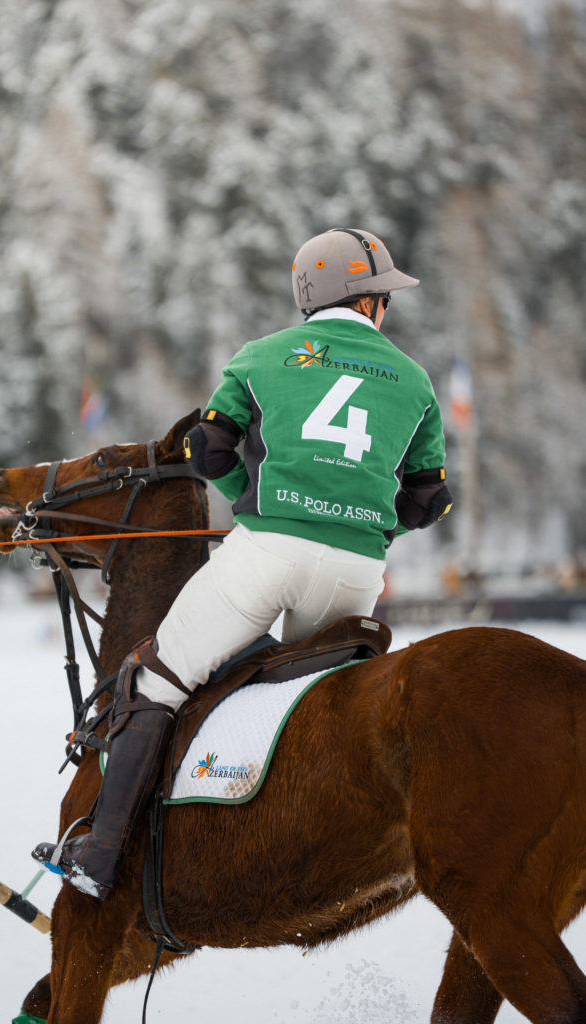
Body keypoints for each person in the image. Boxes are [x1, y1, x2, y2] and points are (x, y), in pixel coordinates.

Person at [33, 227, 453, 898]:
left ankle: (100, 857)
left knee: (156, 682)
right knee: (320, 713)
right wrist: (362, 524)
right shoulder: (413, 379)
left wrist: (252, 500)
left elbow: (207, 454)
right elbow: (427, 501)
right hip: (353, 571)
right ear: (369, 303)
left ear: (311, 294)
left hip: (264, 552)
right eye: (382, 296)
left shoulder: (262, 356)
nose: (385, 307)